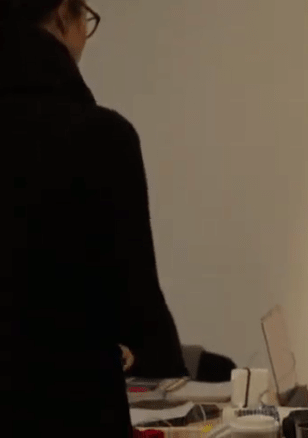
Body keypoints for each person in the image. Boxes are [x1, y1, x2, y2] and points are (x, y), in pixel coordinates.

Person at [0, 0, 187, 435]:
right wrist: (156, 354)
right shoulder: (100, 137)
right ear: (63, 13)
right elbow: (136, 307)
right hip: (68, 407)